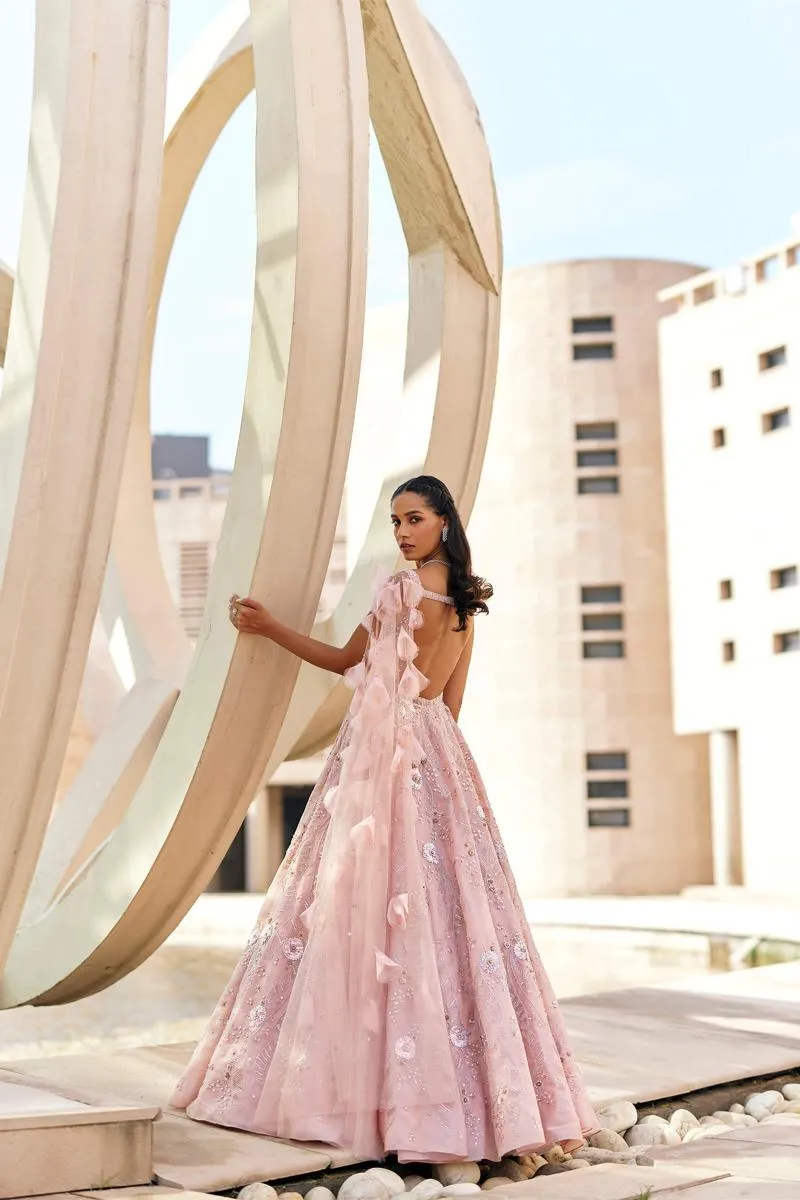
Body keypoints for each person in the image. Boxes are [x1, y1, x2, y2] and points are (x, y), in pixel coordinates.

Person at [171, 475, 596, 1164]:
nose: (401, 532)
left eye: (415, 519)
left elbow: (346, 662)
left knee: (354, 907)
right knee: (452, 914)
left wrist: (267, 625)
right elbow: (452, 705)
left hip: (384, 756)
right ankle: (483, 1101)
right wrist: (431, 771)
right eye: (395, 520)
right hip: (440, 756)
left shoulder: (401, 592)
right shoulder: (466, 607)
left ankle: (363, 1092)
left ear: (445, 524)